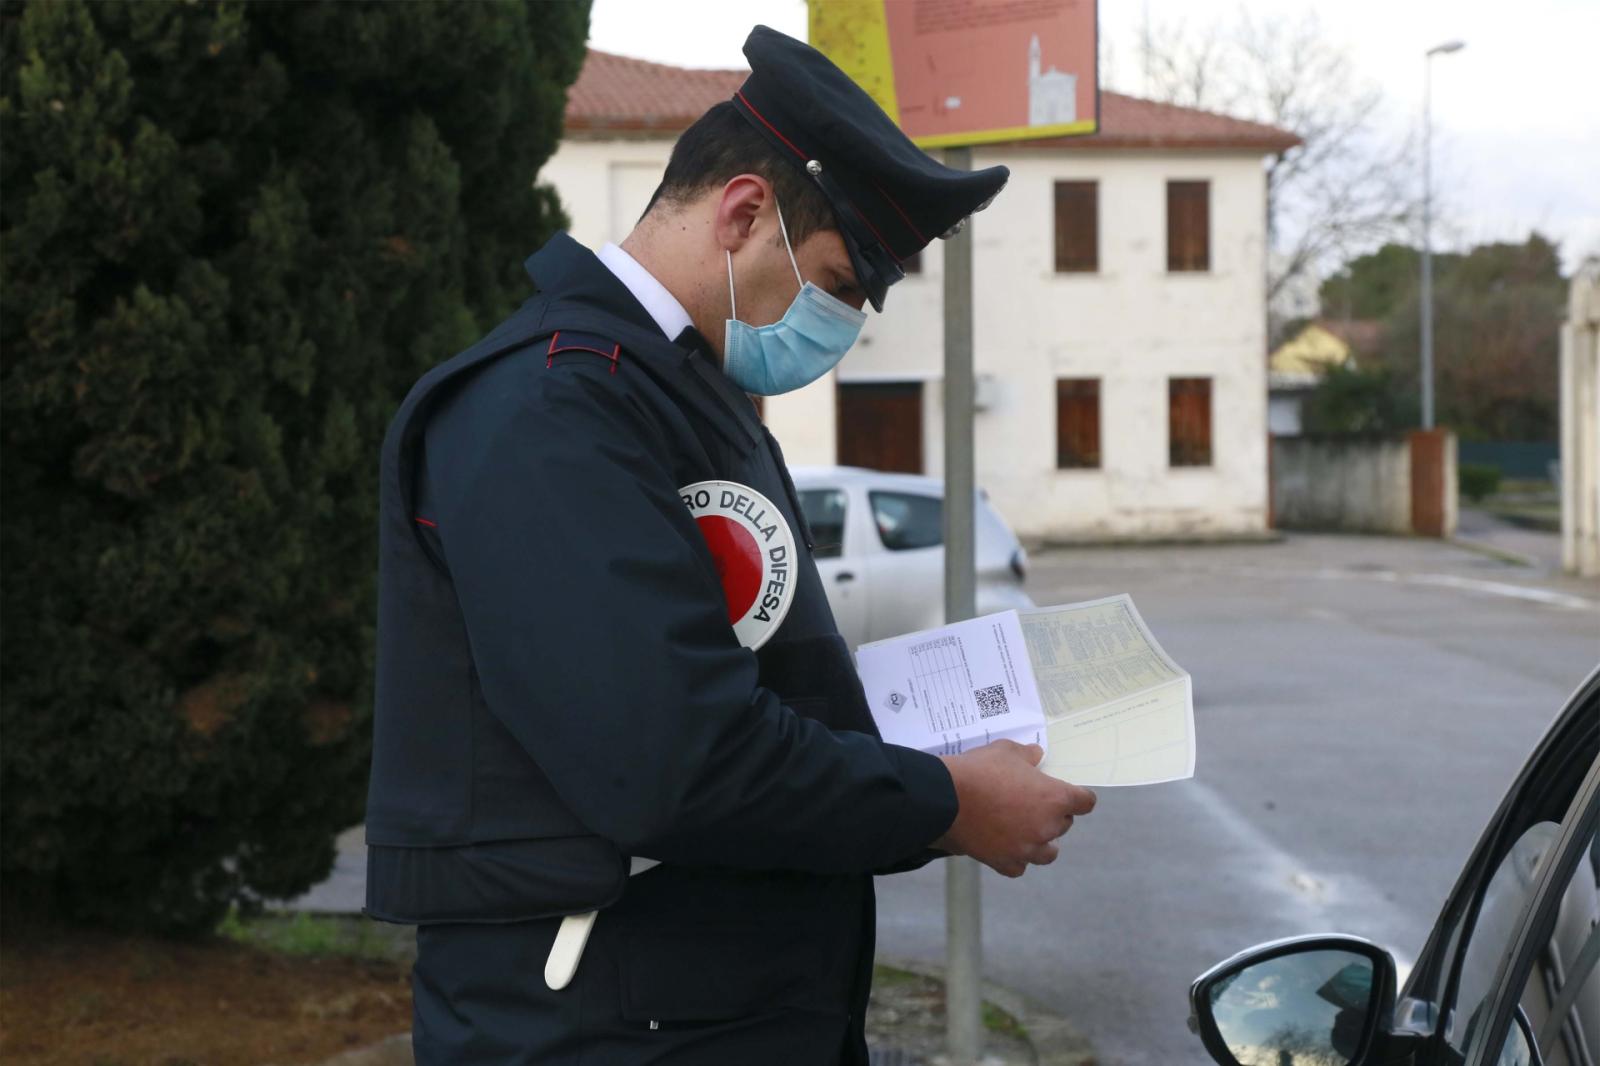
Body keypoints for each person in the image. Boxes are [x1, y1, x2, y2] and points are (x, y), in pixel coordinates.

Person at [364, 25, 1097, 1066]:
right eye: (841, 285)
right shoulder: (553, 406)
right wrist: (945, 801)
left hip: (706, 1009)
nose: (843, 326)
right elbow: (672, 759)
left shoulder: (677, 392)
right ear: (745, 211)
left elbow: (751, 685)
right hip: (600, 1023)